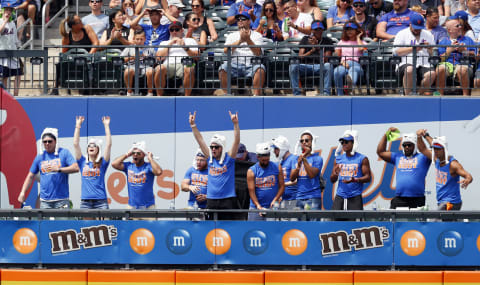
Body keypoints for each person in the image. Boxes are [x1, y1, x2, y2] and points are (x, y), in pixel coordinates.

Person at [189, 110, 241, 220]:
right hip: (211, 200)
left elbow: (236, 141)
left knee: (227, 229)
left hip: (227, 200)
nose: (213, 149)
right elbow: (200, 140)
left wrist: (235, 124)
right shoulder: (210, 158)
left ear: (222, 147)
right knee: (211, 229)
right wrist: (193, 125)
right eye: (211, 147)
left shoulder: (229, 158)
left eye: (216, 147)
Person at [18, 128, 80, 208]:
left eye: (50, 141)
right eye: (44, 141)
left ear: (55, 141)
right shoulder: (40, 157)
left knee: (63, 221)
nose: (47, 143)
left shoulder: (64, 153)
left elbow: (76, 168)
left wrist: (59, 169)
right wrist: (22, 192)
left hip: (61, 200)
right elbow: (30, 176)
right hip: (45, 202)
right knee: (45, 221)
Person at [416, 131, 473, 210]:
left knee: (435, 220)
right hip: (442, 202)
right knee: (442, 220)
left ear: (444, 149)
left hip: (451, 203)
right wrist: (420, 136)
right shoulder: (437, 159)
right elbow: (423, 149)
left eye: (438, 149)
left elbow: (468, 176)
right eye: (434, 149)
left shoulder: (453, 164)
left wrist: (467, 180)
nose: (435, 151)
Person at [376, 127, 431, 209]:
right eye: (404, 145)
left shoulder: (423, 157)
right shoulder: (398, 156)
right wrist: (386, 135)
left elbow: (434, 151)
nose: (407, 147)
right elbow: (380, 152)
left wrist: (424, 136)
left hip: (417, 199)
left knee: (416, 222)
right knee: (396, 221)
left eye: (409, 145)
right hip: (400, 198)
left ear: (415, 146)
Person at [218, 11, 266, 96]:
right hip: (234, 64)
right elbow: (226, 51)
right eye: (238, 19)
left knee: (260, 69)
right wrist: (240, 41)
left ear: (249, 21)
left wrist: (248, 40)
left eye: (243, 19)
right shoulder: (231, 35)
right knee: (222, 68)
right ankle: (226, 94)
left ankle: (256, 95)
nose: (240, 21)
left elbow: (258, 53)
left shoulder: (257, 35)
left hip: (251, 64)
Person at [50, 15, 99, 96]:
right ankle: (56, 88)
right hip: (73, 62)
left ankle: (89, 88)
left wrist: (89, 56)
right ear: (73, 26)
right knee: (60, 64)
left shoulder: (87, 28)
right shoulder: (67, 37)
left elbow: (96, 43)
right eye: (79, 22)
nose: (82, 22)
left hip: (87, 61)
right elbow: (64, 54)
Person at [73, 116, 112, 209]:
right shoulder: (82, 161)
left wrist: (106, 125)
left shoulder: (102, 163)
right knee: (86, 224)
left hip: (101, 201)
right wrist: (78, 125)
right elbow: (75, 144)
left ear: (98, 149)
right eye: (89, 145)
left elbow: (109, 144)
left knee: (104, 224)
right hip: (85, 202)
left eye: (94, 145)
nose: (91, 147)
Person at [393, 13, 436, 95]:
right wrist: (414, 48)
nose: (417, 30)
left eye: (419, 28)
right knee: (410, 70)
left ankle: (418, 94)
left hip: (424, 62)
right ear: (410, 24)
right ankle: (408, 96)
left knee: (432, 74)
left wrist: (429, 48)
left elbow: (433, 53)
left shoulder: (428, 34)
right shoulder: (402, 33)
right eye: (415, 28)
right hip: (406, 62)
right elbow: (397, 51)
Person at [111, 141, 163, 209]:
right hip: (132, 206)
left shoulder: (148, 166)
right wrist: (127, 154)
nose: (135, 155)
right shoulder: (129, 166)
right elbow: (114, 164)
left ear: (143, 154)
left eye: (138, 153)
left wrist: (150, 159)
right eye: (133, 153)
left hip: (148, 207)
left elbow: (159, 172)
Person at [289, 20, 334, 95]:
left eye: (320, 29)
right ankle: (297, 93)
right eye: (316, 29)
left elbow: (326, 59)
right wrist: (311, 51)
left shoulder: (327, 41)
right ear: (312, 30)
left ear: (323, 30)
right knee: (293, 66)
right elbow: (301, 57)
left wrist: (317, 47)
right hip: (306, 66)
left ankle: (326, 93)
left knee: (328, 66)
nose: (318, 31)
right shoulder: (305, 39)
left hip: (320, 66)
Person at [155, 21, 199, 96]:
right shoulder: (164, 43)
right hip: (168, 64)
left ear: (182, 30)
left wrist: (185, 47)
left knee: (189, 68)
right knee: (159, 68)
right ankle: (159, 96)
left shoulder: (190, 40)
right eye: (172, 30)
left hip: (185, 63)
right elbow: (159, 58)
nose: (174, 32)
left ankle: (187, 96)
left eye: (177, 29)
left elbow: (197, 56)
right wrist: (169, 46)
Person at [330, 130, 371, 210]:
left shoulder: (362, 158)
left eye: (346, 142)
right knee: (335, 221)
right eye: (342, 142)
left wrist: (355, 180)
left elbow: (368, 177)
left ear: (353, 143)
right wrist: (335, 174)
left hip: (355, 196)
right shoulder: (338, 159)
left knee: (354, 222)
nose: (344, 144)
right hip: (340, 196)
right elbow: (332, 180)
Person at [436, 16, 476, 96]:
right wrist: (448, 51)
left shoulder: (468, 39)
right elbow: (440, 59)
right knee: (440, 69)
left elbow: (476, 55)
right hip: (448, 64)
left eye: (460, 25)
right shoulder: (443, 41)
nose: (460, 27)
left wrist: (464, 50)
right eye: (457, 26)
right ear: (449, 30)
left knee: (462, 69)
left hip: (464, 64)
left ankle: (465, 96)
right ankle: (440, 96)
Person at [247, 142, 284, 220]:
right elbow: (251, 191)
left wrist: (275, 200)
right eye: (263, 160)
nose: (265, 162)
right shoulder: (251, 171)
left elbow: (282, 186)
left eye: (267, 159)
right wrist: (258, 206)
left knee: (273, 231)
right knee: (254, 230)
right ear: (258, 157)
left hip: (272, 207)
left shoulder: (277, 167)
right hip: (256, 208)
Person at [290, 130, 323, 211]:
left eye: (307, 140)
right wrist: (298, 166)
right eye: (302, 141)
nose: (304, 142)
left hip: (313, 197)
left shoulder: (317, 158)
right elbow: (292, 178)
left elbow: (311, 175)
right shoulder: (295, 159)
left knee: (313, 224)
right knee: (299, 224)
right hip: (299, 197)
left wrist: (304, 159)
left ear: (312, 142)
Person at [333, 21, 367, 95]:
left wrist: (358, 38)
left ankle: (349, 88)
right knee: (337, 71)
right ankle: (340, 94)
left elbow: (362, 49)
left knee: (353, 69)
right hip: (344, 64)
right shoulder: (341, 42)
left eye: (351, 29)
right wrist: (342, 62)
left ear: (357, 30)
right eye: (347, 29)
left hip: (357, 65)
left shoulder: (362, 42)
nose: (349, 31)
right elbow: (336, 56)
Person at [120, 28, 156, 96]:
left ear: (145, 39)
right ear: (134, 39)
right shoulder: (130, 47)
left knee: (151, 71)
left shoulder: (150, 48)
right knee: (128, 71)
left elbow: (155, 60)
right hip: (132, 66)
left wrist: (145, 57)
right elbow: (121, 59)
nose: (139, 41)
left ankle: (150, 92)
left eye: (141, 39)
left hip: (146, 67)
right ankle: (129, 92)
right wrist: (133, 57)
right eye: (137, 39)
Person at [0, 4, 22, 96]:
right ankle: (5, 96)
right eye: (6, 10)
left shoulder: (13, 23)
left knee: (18, 74)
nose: (8, 12)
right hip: (2, 53)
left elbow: (15, 38)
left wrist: (19, 46)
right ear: (3, 11)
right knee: (4, 76)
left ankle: (16, 95)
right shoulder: (0, 21)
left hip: (13, 52)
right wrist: (4, 22)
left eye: (10, 10)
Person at [272, 135, 297, 210]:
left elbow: (297, 180)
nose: (274, 151)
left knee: (293, 221)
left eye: (276, 149)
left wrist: (282, 185)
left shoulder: (294, 159)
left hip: (293, 199)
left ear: (281, 148)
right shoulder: (282, 162)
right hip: (284, 200)